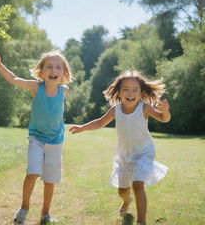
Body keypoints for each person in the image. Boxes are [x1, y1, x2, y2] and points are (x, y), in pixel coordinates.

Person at [69, 70, 171, 225]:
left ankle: (141, 221)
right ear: (119, 92)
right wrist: (82, 127)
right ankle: (126, 201)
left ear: (141, 92)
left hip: (144, 152)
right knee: (122, 190)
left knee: (137, 184)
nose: (130, 93)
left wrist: (165, 111)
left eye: (135, 89)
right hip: (124, 155)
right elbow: (99, 122)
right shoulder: (115, 110)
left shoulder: (145, 108)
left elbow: (164, 119)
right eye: (126, 89)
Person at [0, 50, 73, 225]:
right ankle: (24, 208)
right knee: (32, 173)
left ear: (64, 74)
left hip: (55, 142)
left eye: (58, 67)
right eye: (49, 66)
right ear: (41, 72)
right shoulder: (36, 87)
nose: (53, 70)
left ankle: (45, 214)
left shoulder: (64, 91)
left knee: (50, 180)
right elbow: (14, 80)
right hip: (36, 138)